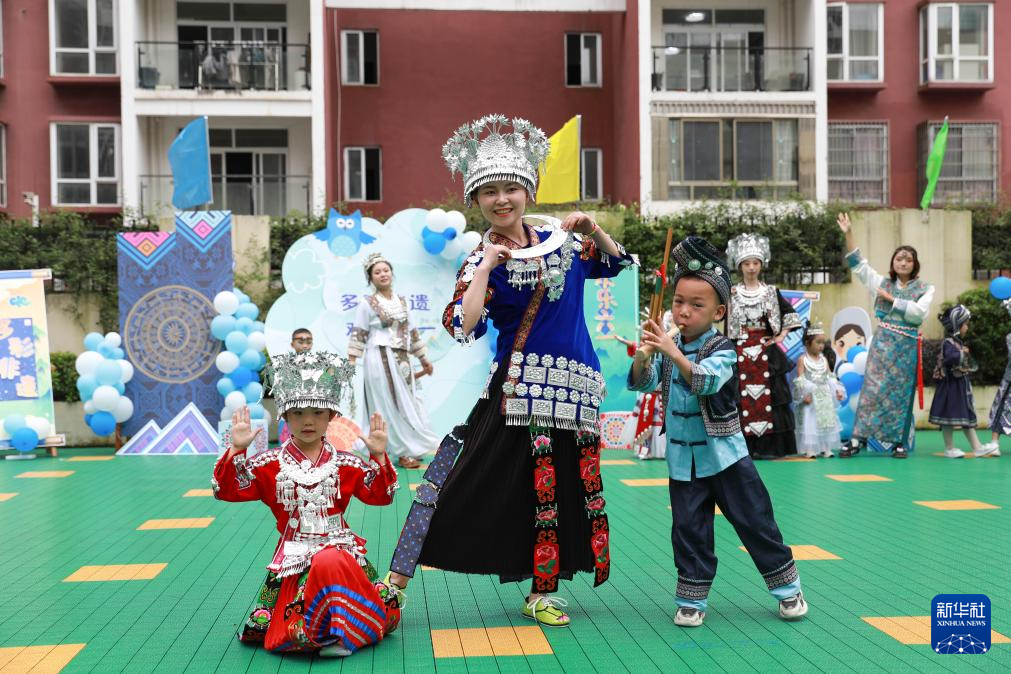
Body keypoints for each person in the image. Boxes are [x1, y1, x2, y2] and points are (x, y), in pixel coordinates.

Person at [384, 114, 638, 628]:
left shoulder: (564, 242)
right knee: (464, 480)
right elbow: (461, 325)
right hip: (518, 390)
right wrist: (484, 269)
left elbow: (616, 264)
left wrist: (594, 228)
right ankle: (395, 582)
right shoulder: (480, 259)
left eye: (511, 189)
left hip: (575, 390)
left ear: (528, 191)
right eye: (489, 192)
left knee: (559, 491)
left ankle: (541, 591)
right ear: (475, 200)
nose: (502, 200)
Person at [628, 236, 806, 628]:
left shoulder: (722, 346)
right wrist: (643, 355)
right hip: (683, 460)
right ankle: (691, 599)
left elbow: (706, 381)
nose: (684, 311)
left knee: (755, 522)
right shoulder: (669, 344)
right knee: (688, 529)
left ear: (719, 311)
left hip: (726, 457)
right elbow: (644, 381)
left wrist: (670, 351)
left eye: (697, 305)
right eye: (679, 302)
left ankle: (788, 589)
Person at [212, 351, 400, 657]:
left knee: (331, 560)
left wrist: (378, 456)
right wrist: (236, 449)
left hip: (341, 552)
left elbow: (380, 496)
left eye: (317, 412)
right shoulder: (269, 464)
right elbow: (228, 490)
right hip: (295, 558)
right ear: (285, 417)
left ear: (332, 416)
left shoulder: (347, 463)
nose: (308, 420)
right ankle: (332, 632)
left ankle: (342, 633)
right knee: (317, 578)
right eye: (298, 412)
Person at [837, 213, 934, 459]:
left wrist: (893, 301)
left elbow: (919, 314)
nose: (903, 262)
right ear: (893, 262)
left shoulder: (925, 288)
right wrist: (849, 233)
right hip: (882, 345)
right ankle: (857, 439)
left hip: (906, 346)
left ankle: (898, 442)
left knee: (901, 394)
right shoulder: (881, 283)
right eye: (899, 258)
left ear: (915, 264)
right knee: (872, 391)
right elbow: (859, 265)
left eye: (908, 259)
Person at [348, 253, 439, 469]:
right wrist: (351, 362)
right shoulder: (367, 304)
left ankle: (408, 447)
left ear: (391, 273)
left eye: (385, 270)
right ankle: (399, 451)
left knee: (407, 403)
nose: (382, 274)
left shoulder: (402, 302)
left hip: (402, 359)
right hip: (378, 358)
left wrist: (424, 360)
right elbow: (359, 333)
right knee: (387, 403)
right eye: (377, 272)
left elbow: (413, 333)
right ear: (370, 278)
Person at [725, 233, 802, 459]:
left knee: (772, 396)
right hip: (739, 349)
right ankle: (745, 448)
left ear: (761, 265)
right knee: (740, 395)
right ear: (740, 266)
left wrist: (781, 335)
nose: (751, 267)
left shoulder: (770, 291)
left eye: (755, 263)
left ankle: (771, 448)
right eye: (747, 263)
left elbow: (790, 315)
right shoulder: (731, 293)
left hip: (766, 350)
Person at [929, 305, 985, 458]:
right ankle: (949, 448)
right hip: (950, 387)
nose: (967, 327)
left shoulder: (957, 342)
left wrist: (962, 352)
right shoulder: (948, 342)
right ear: (957, 325)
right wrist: (962, 353)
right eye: (965, 324)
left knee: (966, 416)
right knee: (948, 418)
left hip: (959, 386)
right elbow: (949, 358)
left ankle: (977, 447)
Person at [793, 321, 845, 458]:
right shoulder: (803, 360)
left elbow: (830, 376)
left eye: (822, 342)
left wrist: (838, 390)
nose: (821, 346)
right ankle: (810, 449)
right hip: (811, 396)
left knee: (826, 422)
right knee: (810, 422)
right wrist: (804, 394)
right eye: (818, 342)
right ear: (807, 343)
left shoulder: (824, 360)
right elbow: (800, 379)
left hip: (824, 395)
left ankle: (826, 448)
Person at [615, 334, 665, 460]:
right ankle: (645, 449)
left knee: (660, 422)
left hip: (662, 396)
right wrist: (623, 340)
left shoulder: (668, 349)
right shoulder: (646, 348)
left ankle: (661, 451)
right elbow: (636, 348)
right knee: (646, 423)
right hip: (649, 396)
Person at [983, 299, 1010, 457]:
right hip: (1009, 382)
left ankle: (994, 444)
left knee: (1001, 409)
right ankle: (994, 444)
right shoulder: (1010, 337)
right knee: (1001, 409)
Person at [278, 328, 313, 445]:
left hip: (312, 413)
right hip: (291, 413)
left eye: (308, 342)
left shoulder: (319, 364)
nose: (305, 346)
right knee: (287, 448)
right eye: (300, 342)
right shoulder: (285, 364)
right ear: (292, 344)